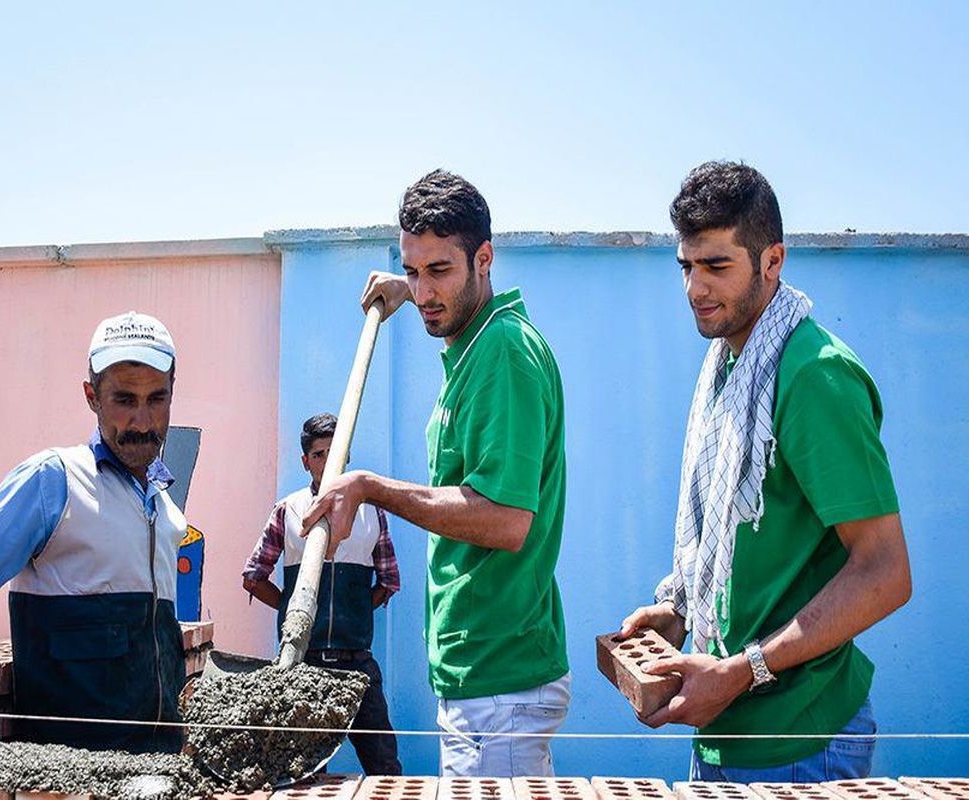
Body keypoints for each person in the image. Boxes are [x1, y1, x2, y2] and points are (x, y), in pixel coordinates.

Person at [619, 161, 912, 781]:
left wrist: (741, 670)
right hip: (725, 733)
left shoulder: (813, 375)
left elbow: (886, 573)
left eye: (717, 266)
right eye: (686, 266)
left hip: (805, 744)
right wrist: (682, 613)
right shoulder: (727, 364)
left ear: (772, 260)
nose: (696, 288)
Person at [304, 170, 571, 777]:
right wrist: (412, 288)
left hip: (500, 686)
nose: (425, 292)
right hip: (484, 676)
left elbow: (505, 520)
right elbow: (439, 292)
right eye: (414, 270)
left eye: (440, 272)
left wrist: (370, 486)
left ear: (484, 259)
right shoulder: (475, 339)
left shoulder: (503, 354)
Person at [0, 311, 189, 751]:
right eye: (123, 400)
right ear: (91, 396)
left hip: (159, 766)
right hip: (70, 777)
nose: (141, 421)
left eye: (157, 399)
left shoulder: (164, 506)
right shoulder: (54, 481)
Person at [242, 412, 402, 775]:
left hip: (357, 662)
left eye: (335, 453)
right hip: (303, 662)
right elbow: (253, 576)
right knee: (300, 772)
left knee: (385, 766)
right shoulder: (288, 510)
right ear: (305, 461)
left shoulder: (371, 513)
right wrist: (293, 609)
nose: (327, 462)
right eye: (318, 455)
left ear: (345, 458)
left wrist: (357, 610)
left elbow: (389, 580)